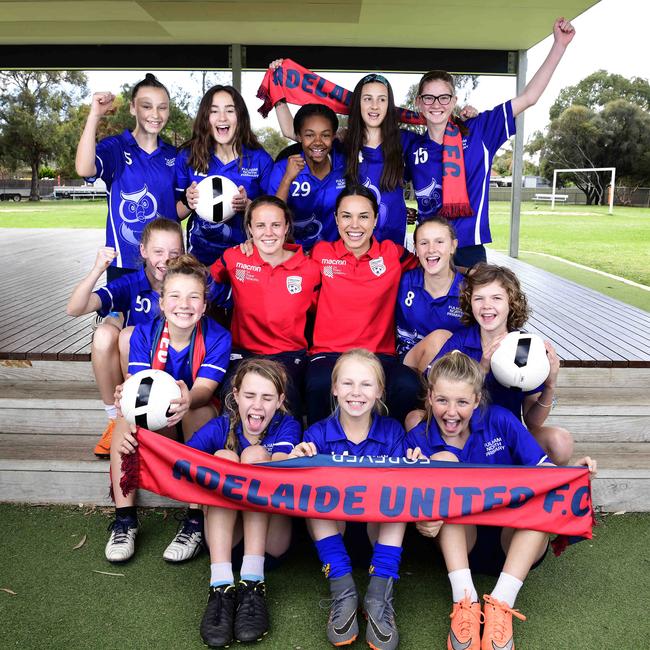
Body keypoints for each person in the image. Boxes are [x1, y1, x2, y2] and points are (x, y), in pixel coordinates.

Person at [406, 351, 596, 650]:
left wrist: (574, 474)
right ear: (429, 397)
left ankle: (501, 604)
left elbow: (544, 471)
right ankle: (464, 601)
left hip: (514, 544)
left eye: (462, 402)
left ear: (478, 400)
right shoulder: (419, 437)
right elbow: (399, 498)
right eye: (442, 400)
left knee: (539, 503)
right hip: (460, 546)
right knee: (445, 468)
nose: (451, 412)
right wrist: (421, 509)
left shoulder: (500, 420)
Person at [404, 18, 575, 267]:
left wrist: (559, 45)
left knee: (475, 307)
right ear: (419, 102)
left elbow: (528, 97)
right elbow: (386, 176)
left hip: (469, 247)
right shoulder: (412, 146)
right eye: (429, 98)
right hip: (428, 248)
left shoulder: (479, 130)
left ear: (454, 101)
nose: (436, 104)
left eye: (443, 97)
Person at [105, 254, 232, 564]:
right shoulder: (145, 334)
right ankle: (125, 519)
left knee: (198, 413)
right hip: (159, 419)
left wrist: (188, 399)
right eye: (174, 296)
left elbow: (204, 391)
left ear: (204, 305)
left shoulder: (217, 336)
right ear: (161, 302)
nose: (184, 304)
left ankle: (194, 521)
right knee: (125, 421)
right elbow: (139, 385)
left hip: (194, 415)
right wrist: (127, 394)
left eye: (193, 297)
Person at [290, 349, 408, 650]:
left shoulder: (393, 431)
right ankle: (343, 590)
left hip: (378, 537)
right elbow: (294, 482)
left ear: (380, 390)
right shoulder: (317, 433)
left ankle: (379, 596)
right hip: (333, 538)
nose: (356, 393)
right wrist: (296, 459)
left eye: (366, 384)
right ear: (333, 388)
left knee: (400, 491)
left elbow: (408, 486)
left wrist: (413, 463)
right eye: (347, 384)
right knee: (313, 488)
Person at [183, 358, 301, 648]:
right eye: (249, 395)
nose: (257, 405)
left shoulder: (287, 426)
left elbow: (280, 464)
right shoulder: (221, 425)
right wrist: (140, 443)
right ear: (235, 396)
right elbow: (179, 460)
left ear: (280, 400)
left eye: (267, 397)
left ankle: (253, 584)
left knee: (254, 458)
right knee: (224, 460)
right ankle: (220, 585)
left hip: (269, 544)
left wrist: (289, 459)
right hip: (226, 540)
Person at [418, 263, 573, 465]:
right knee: (415, 418)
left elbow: (533, 422)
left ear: (512, 302)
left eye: (496, 298)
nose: (487, 305)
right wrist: (481, 369)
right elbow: (431, 402)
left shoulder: (525, 347)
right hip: (462, 435)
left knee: (560, 441)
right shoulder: (459, 342)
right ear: (469, 302)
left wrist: (550, 385)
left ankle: (532, 488)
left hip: (505, 435)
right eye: (478, 298)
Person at [66, 218, 183, 457]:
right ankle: (116, 420)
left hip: (176, 370)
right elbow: (75, 308)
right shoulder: (132, 283)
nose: (165, 259)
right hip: (135, 372)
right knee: (106, 334)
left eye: (174, 252)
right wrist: (98, 269)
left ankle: (148, 425)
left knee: (130, 334)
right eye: (158, 251)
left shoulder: (189, 281)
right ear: (143, 250)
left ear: (183, 253)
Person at [306, 184, 421, 427]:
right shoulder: (320, 253)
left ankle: (391, 450)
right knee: (318, 384)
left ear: (376, 219)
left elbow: (431, 268)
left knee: (408, 385)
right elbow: (284, 263)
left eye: (364, 216)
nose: (354, 225)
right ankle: (319, 452)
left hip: (379, 355)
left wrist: (470, 271)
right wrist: (250, 248)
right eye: (346, 216)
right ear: (336, 219)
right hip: (329, 353)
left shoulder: (393, 254)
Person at [210, 195, 320, 418]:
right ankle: (230, 450)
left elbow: (322, 312)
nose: (268, 233)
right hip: (244, 352)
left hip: (289, 355)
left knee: (284, 401)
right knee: (233, 399)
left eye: (276, 225)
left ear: (287, 227)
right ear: (249, 229)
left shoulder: (310, 269)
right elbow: (204, 283)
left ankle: (285, 451)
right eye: (260, 225)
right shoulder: (235, 258)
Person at [75, 74, 179, 279]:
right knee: (121, 311)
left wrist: (193, 201)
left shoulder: (174, 156)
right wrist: (95, 115)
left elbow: (176, 209)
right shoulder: (115, 147)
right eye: (147, 106)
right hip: (124, 263)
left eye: (162, 107)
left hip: (166, 264)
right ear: (133, 108)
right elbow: (84, 169)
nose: (155, 114)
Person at [176, 85, 273, 265]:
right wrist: (188, 201)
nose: (222, 117)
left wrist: (248, 205)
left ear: (241, 117)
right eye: (214, 111)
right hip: (199, 259)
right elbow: (175, 213)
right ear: (206, 118)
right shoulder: (188, 156)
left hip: (246, 258)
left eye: (230, 110)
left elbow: (274, 216)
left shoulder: (260, 159)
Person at [268, 103, 346, 250]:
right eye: (309, 135)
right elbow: (271, 217)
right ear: (299, 136)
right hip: (294, 256)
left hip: (335, 257)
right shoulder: (282, 168)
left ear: (334, 136)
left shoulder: (346, 166)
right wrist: (287, 179)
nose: (318, 141)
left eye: (325, 135)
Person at [395, 217, 466, 371]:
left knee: (442, 340)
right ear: (416, 248)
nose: (431, 249)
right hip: (407, 363)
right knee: (437, 340)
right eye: (424, 243)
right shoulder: (403, 282)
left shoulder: (469, 291)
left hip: (454, 368)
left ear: (453, 246)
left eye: (439, 242)